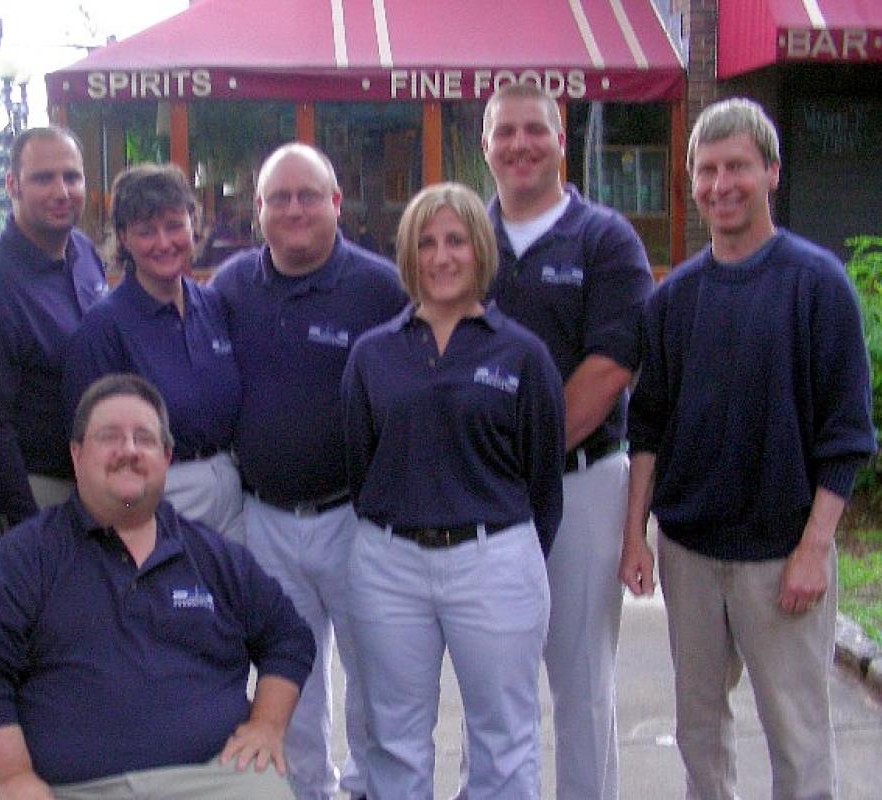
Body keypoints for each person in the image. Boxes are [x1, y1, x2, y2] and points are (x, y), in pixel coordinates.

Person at [620, 97, 875, 800]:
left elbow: (847, 435)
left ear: (771, 171)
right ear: (692, 182)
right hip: (692, 554)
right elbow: (648, 425)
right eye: (706, 170)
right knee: (699, 728)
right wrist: (634, 535)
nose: (720, 184)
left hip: (779, 556)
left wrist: (815, 549)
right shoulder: (676, 299)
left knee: (795, 731)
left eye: (737, 166)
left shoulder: (816, 286)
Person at [0, 374, 315, 800]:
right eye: (109, 437)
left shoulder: (213, 556)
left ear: (166, 455)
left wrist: (267, 725)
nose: (129, 450)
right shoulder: (26, 557)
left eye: (144, 438)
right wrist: (13, 777)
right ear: (76, 453)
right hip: (69, 788)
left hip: (212, 779)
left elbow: (289, 637)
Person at [342, 182, 564, 799]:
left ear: (480, 251)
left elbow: (543, 477)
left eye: (457, 241)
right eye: (427, 242)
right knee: (395, 738)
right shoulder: (371, 355)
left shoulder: (522, 355)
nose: (442, 257)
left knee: (504, 740)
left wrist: (500, 546)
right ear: (409, 255)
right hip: (390, 563)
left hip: (494, 558)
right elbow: (363, 466)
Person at [210, 142, 409, 800]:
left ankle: (370, 790)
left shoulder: (381, 287)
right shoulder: (233, 285)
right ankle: (303, 792)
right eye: (278, 198)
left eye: (308, 195)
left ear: (336, 203)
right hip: (264, 516)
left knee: (376, 678)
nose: (294, 209)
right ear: (257, 209)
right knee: (286, 678)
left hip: (355, 516)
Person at [480, 81, 654, 800]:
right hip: (482, 495)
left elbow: (612, 363)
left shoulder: (605, 237)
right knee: (490, 680)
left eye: (535, 130)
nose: (520, 145)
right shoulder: (462, 231)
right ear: (486, 146)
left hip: (580, 485)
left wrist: (523, 458)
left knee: (581, 682)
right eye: (505, 132)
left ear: (561, 137)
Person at [61, 163, 242, 537]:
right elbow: (89, 442)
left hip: (230, 491)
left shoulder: (212, 306)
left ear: (194, 224)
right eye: (146, 231)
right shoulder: (104, 328)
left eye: (175, 225)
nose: (164, 242)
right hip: (156, 499)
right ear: (124, 238)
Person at [0, 126, 107, 550]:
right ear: (12, 185)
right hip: (38, 491)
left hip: (96, 482)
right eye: (43, 178)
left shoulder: (83, 253)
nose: (61, 191)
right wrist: (26, 526)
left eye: (71, 177)